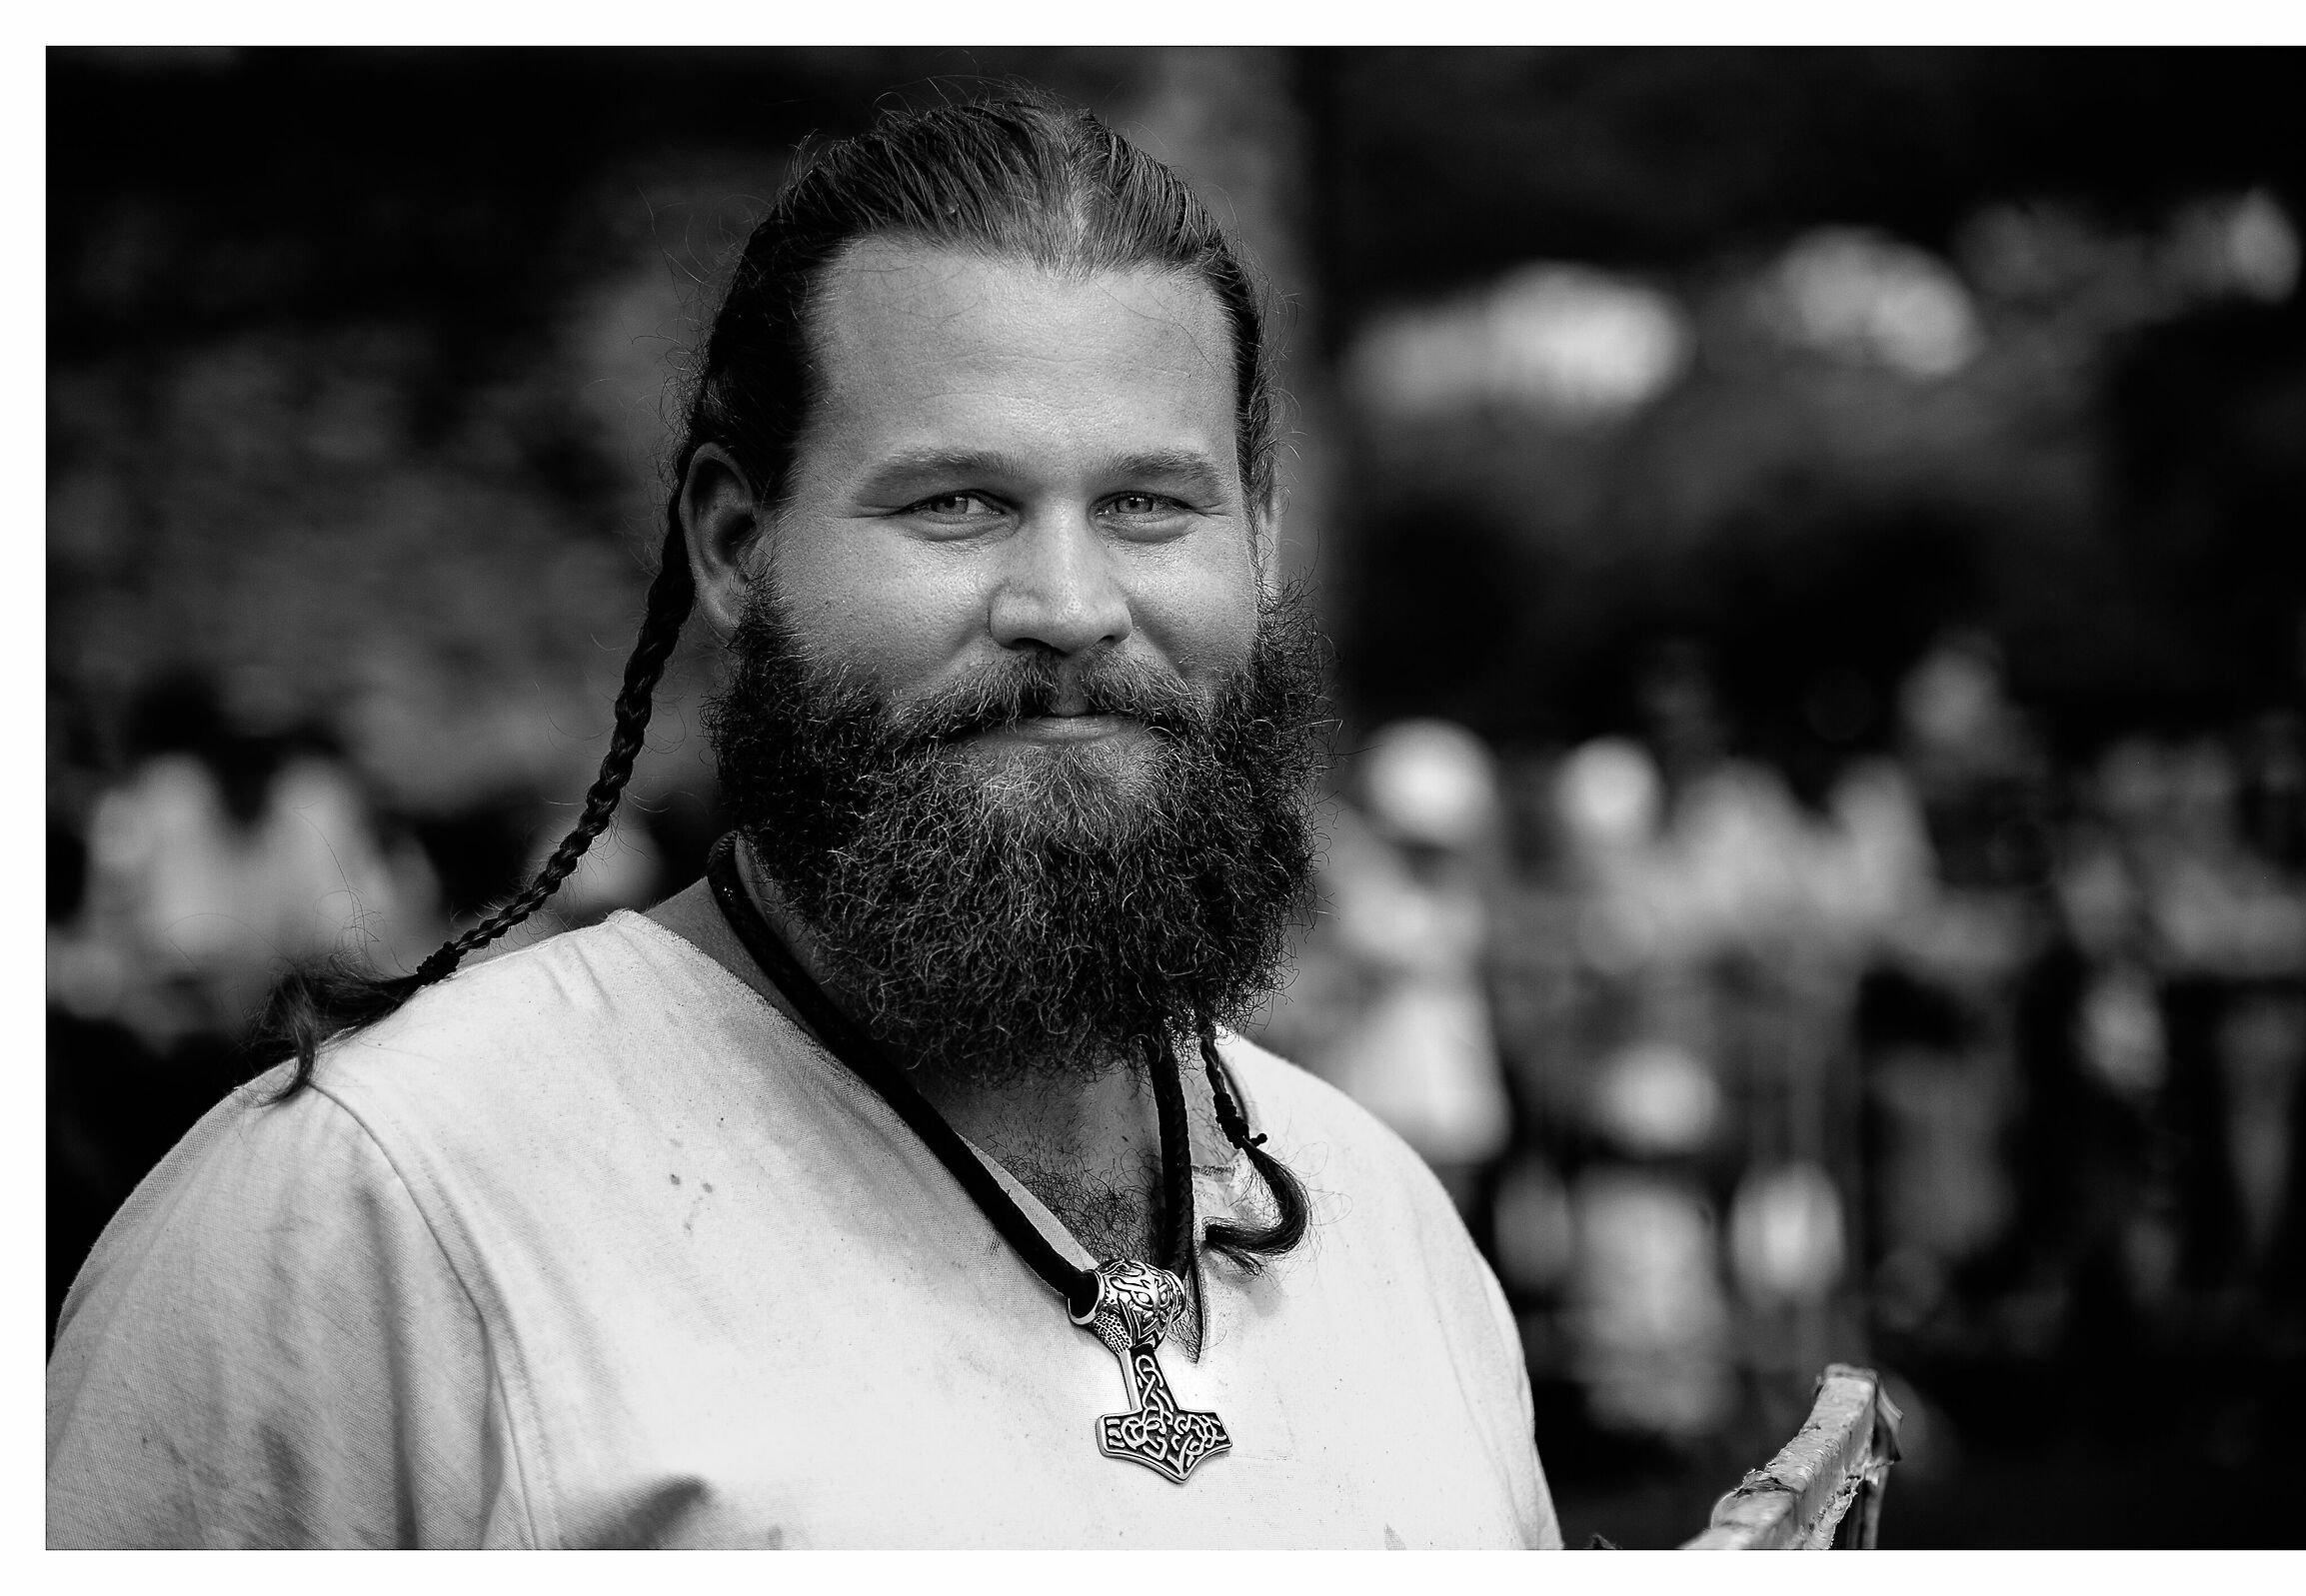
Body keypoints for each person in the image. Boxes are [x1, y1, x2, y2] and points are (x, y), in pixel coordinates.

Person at [45, 96, 1561, 1551]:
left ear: (1263, 544)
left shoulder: (1392, 1233)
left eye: (1152, 505)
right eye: (955, 503)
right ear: (734, 546)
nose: (1071, 606)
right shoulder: (379, 1215)